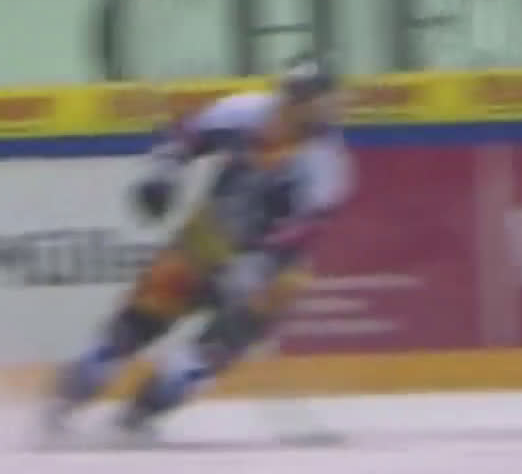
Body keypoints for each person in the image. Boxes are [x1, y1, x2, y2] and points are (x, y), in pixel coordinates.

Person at [45, 54, 353, 440]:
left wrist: (259, 263)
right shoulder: (246, 113)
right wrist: (163, 173)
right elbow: (186, 136)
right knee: (137, 323)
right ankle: (61, 406)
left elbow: (304, 229)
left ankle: (137, 418)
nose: (327, 108)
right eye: (315, 99)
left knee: (210, 352)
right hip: (206, 240)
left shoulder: (326, 161)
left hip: (271, 273)